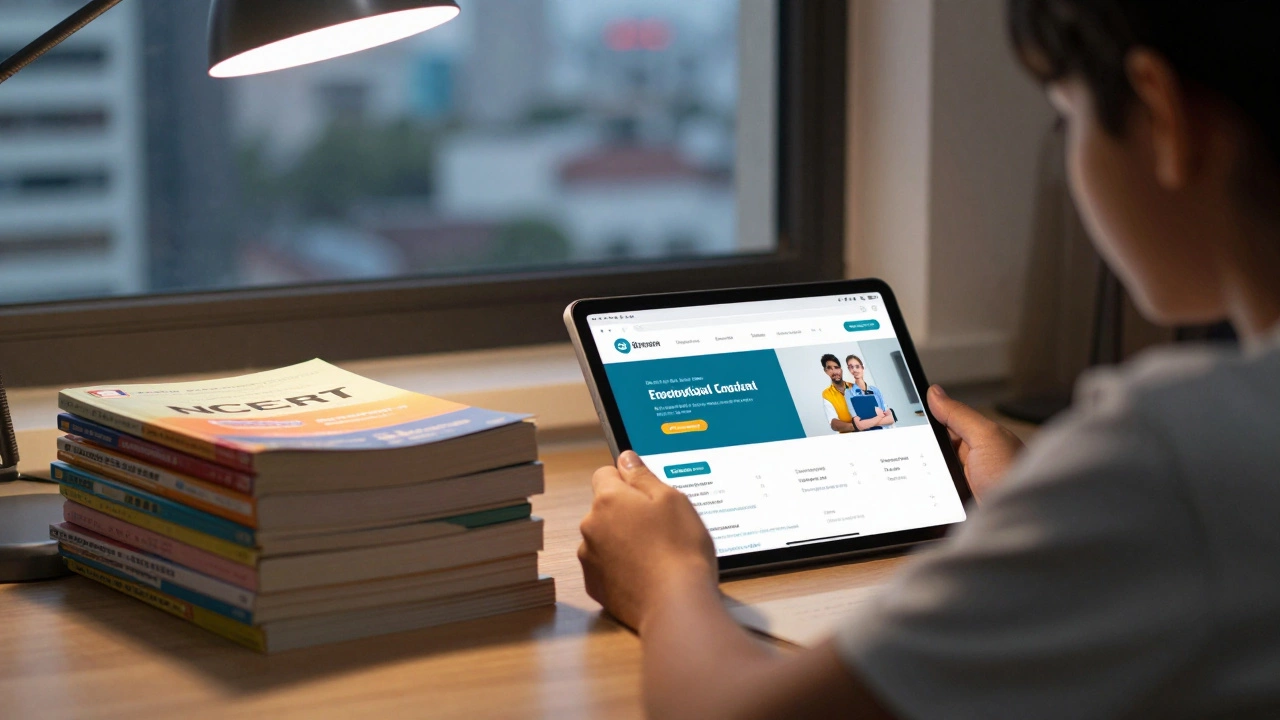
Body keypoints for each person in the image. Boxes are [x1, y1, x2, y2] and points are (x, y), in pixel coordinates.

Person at [576, 0, 1280, 717]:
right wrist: (1038, 511)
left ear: (1163, 117)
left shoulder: (1173, 453)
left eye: (1068, 120)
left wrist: (665, 581)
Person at [844, 354, 895, 431]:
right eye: (851, 367)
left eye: (857, 366)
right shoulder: (849, 393)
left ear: (862, 367)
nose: (854, 370)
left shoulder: (875, 390)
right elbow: (859, 426)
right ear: (849, 370)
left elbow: (891, 419)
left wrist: (867, 423)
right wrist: (880, 416)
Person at [819, 353, 858, 433]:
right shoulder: (827, 394)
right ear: (826, 371)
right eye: (829, 368)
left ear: (841, 369)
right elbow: (833, 423)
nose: (834, 372)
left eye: (836, 367)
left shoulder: (855, 387)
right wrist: (856, 426)